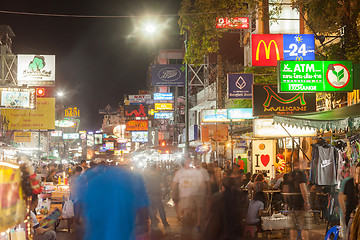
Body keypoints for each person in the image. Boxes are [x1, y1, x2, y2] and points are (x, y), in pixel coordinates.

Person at [78, 164, 149, 240]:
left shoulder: (94, 183)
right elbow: (143, 208)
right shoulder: (134, 180)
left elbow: (85, 210)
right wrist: (142, 227)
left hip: (96, 234)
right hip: (123, 234)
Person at [172, 156, 207, 239]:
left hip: (192, 196)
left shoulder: (195, 172)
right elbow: (174, 183)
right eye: (188, 161)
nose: (190, 163)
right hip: (184, 196)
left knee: (189, 214)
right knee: (186, 215)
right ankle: (187, 232)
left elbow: (201, 183)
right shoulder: (180, 172)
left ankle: (189, 231)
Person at [283, 161, 311, 240]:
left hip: (292, 205)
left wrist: (286, 202)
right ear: (299, 164)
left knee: (293, 227)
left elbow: (285, 189)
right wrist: (306, 201)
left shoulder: (289, 175)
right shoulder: (301, 174)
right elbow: (303, 187)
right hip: (300, 204)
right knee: (304, 226)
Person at [144, 164, 170, 229]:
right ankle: (165, 223)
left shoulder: (147, 177)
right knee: (161, 210)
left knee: (151, 209)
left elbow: (145, 186)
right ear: (155, 169)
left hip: (150, 194)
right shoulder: (158, 176)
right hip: (157, 195)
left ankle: (153, 222)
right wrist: (164, 193)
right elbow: (162, 186)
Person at [343, 162, 360, 228]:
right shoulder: (349, 183)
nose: (357, 176)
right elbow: (345, 199)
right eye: (357, 173)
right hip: (352, 219)